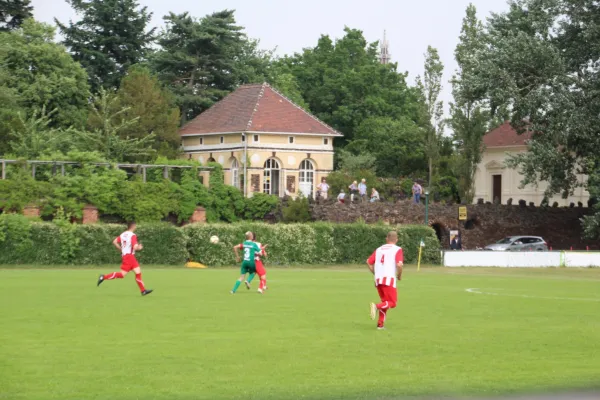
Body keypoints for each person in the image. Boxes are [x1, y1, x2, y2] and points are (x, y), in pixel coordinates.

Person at [97, 222, 153, 296]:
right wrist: (139, 247)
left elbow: (114, 242)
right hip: (130, 257)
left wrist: (121, 249)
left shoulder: (123, 234)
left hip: (127, 257)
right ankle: (103, 277)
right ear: (133, 226)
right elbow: (135, 246)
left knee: (135, 273)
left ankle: (143, 291)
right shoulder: (133, 235)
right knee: (126, 274)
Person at [366, 231, 403, 330]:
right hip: (389, 279)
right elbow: (399, 264)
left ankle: (380, 325)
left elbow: (368, 262)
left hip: (378, 280)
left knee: (385, 302)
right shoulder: (397, 249)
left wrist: (375, 273)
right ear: (396, 240)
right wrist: (399, 275)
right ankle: (376, 306)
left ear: (387, 239)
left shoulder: (379, 249)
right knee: (393, 302)